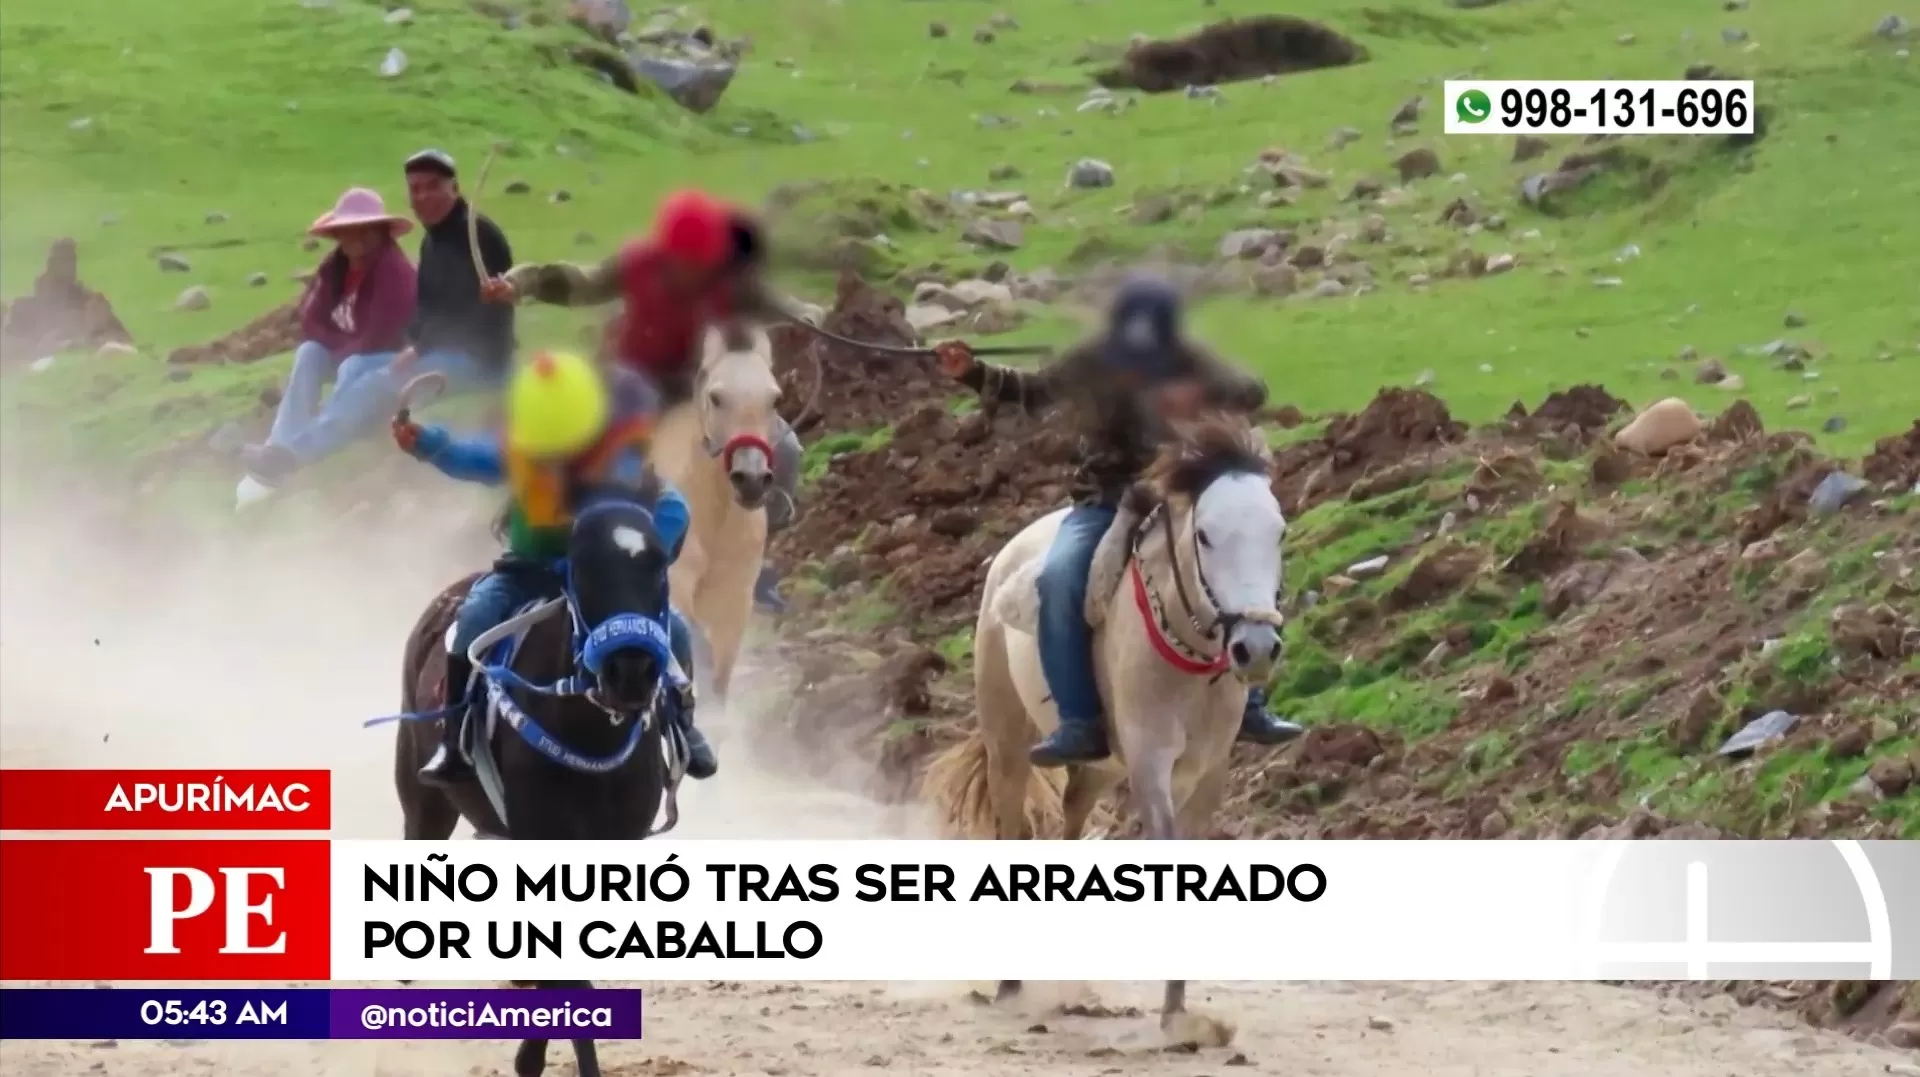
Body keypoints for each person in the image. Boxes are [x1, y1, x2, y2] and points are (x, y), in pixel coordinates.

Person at [933, 273, 1304, 767]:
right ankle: (1078, 721)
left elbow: (1252, 390)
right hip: (1107, 502)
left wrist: (1190, 383)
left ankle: (1252, 704)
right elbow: (1033, 390)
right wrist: (972, 372)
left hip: (1182, 504)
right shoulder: (1091, 363)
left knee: (1245, 571)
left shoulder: (1189, 362)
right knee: (1060, 578)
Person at [393, 349, 718, 787]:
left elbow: (670, 505)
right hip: (525, 572)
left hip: (599, 580)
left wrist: (641, 555)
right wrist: (427, 442)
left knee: (673, 631)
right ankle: (456, 737)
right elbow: (471, 458)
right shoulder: (522, 450)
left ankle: (681, 725)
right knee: (471, 622)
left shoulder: (620, 460)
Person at [478, 189, 804, 614]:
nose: (691, 271)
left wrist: (815, 318)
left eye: (701, 262)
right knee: (569, 438)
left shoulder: (733, 283)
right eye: (683, 260)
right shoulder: (636, 265)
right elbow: (582, 281)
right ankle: (530, 525)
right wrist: (519, 283)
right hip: (631, 385)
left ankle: (757, 557)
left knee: (787, 449)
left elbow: (787, 308)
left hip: (700, 393)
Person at [235, 188, 418, 508]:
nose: (356, 238)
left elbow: (381, 334)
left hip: (394, 357)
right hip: (349, 349)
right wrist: (335, 344)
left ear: (379, 232)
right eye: (348, 231)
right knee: (309, 353)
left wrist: (340, 346)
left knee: (353, 365)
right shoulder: (335, 267)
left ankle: (323, 442)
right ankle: (278, 449)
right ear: (338, 234)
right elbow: (311, 318)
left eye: (365, 230)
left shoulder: (396, 273)